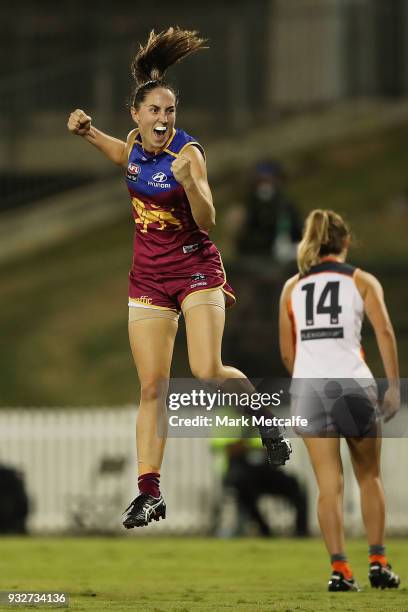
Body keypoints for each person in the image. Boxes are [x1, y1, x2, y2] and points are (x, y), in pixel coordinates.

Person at [67, 27, 291, 530]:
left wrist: (192, 187)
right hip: (147, 276)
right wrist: (87, 135)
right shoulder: (132, 143)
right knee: (152, 389)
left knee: (208, 370)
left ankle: (261, 416)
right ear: (137, 116)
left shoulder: (188, 156)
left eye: (170, 112)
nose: (164, 119)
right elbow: (125, 161)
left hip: (195, 268)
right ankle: (149, 492)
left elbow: (208, 219)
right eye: (155, 111)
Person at [279, 209, 400, 591]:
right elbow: (384, 331)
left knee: (328, 486)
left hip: (310, 390)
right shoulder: (362, 281)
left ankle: (340, 570)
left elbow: (288, 353)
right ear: (345, 242)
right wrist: (393, 385)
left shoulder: (291, 287)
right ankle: (379, 563)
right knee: (369, 476)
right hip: (352, 385)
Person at [237, 159, 302, 262]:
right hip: (259, 259)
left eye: (268, 181)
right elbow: (245, 243)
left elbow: (300, 231)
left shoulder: (286, 206)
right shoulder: (250, 208)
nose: (265, 186)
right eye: (261, 181)